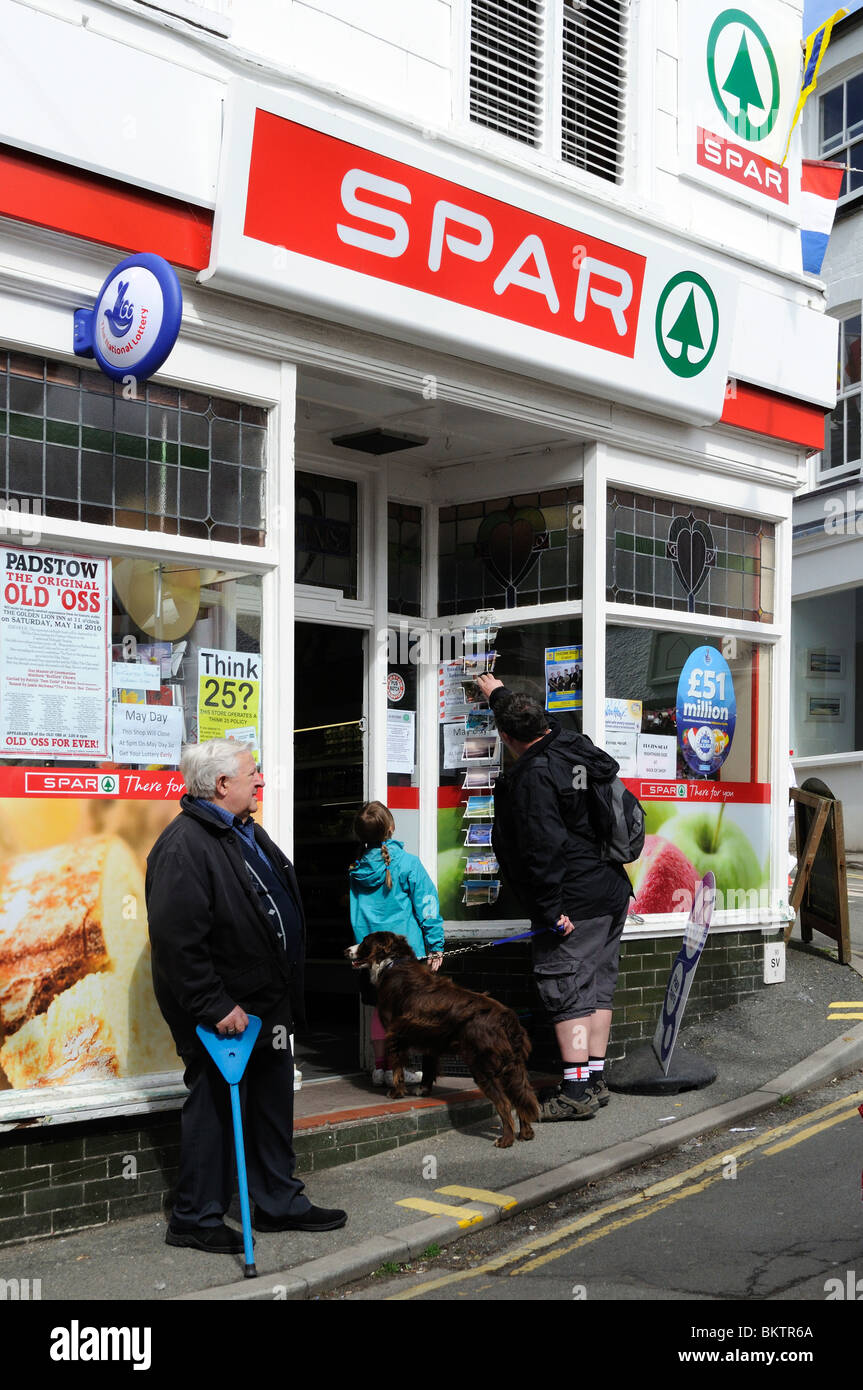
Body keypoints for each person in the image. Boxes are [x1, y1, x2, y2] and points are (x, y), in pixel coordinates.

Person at [146, 738, 346, 1253]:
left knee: (272, 1105)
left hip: (267, 1004)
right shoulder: (184, 846)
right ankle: (193, 1217)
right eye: (252, 773)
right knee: (213, 1109)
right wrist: (214, 1005)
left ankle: (277, 1202)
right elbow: (178, 943)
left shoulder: (242, 832)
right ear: (221, 785)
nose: (261, 781)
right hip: (224, 1011)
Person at [475, 674, 632, 1121]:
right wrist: (498, 694)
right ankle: (596, 1079)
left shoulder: (534, 776)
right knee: (598, 985)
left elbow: (541, 851)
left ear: (507, 738)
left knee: (567, 989)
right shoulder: (572, 744)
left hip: (574, 900)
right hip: (609, 888)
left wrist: (549, 910)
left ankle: (577, 1090)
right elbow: (522, 714)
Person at [350, 801, 444, 1084]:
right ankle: (397, 1069)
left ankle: (381, 1068)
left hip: (372, 957)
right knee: (404, 1013)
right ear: (391, 828)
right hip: (404, 956)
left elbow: (356, 914)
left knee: (380, 1011)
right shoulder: (408, 863)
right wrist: (435, 945)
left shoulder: (356, 869)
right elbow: (427, 905)